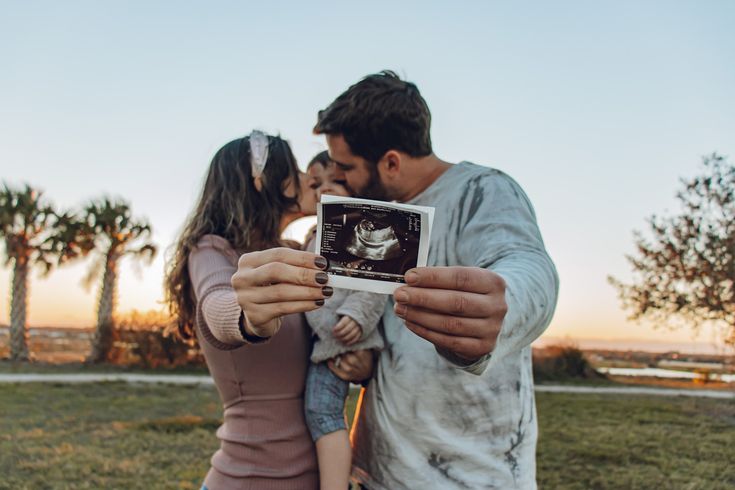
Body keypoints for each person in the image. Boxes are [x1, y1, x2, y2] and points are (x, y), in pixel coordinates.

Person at [310, 71, 560, 489]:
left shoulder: (483, 191)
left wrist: (502, 307)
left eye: (346, 167)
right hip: (383, 473)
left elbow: (528, 267)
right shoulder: (377, 218)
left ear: (390, 161)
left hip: (471, 477)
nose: (342, 180)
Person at [164, 131, 369, 490]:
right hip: (247, 479)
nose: (309, 179)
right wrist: (248, 315)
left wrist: (363, 365)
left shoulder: (299, 252)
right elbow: (218, 304)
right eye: (295, 170)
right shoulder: (212, 250)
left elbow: (355, 305)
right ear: (264, 183)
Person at [302, 151, 387, 490]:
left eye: (335, 181)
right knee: (318, 412)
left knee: (321, 412)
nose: (324, 190)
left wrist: (357, 315)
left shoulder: (360, 225)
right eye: (316, 184)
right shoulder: (315, 232)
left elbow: (378, 279)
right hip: (323, 339)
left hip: (341, 338)